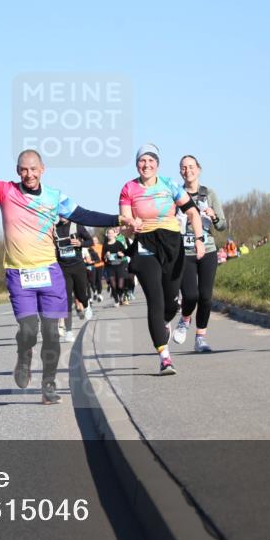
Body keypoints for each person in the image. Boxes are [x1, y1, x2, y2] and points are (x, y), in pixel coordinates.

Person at [0, 130, 139, 404]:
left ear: (42, 169)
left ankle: (48, 385)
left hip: (49, 272)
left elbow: (84, 214)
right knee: (29, 331)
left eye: (33, 169)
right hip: (19, 274)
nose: (29, 174)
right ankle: (24, 355)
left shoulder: (55, 197)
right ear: (17, 171)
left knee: (52, 333)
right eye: (23, 170)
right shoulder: (6, 192)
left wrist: (119, 219)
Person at [119, 144, 205, 375]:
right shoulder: (129, 188)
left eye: (151, 161)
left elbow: (193, 212)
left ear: (157, 163)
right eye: (142, 161)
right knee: (155, 302)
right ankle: (164, 357)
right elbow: (125, 225)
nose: (146, 165)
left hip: (172, 245)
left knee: (170, 301)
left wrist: (198, 239)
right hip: (145, 245)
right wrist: (130, 225)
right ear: (137, 163)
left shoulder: (170, 185)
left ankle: (166, 320)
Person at [172, 155, 226, 353]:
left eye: (191, 166)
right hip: (184, 252)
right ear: (180, 172)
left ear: (199, 169)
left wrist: (214, 215)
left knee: (205, 297)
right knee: (191, 295)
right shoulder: (176, 194)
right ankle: (185, 319)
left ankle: (200, 338)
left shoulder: (209, 193)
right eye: (184, 168)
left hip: (208, 250)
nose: (188, 170)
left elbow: (222, 225)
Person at [54, 216, 93, 342]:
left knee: (81, 294)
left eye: (64, 213)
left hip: (78, 266)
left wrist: (81, 243)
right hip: (63, 268)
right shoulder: (54, 228)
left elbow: (90, 241)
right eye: (60, 213)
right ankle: (69, 331)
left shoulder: (77, 226)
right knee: (66, 300)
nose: (62, 216)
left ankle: (86, 306)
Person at [102, 228, 129, 306]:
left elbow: (125, 253)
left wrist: (122, 254)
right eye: (109, 233)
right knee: (113, 284)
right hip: (110, 266)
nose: (110, 234)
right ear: (107, 235)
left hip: (120, 264)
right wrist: (105, 256)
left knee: (120, 285)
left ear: (114, 234)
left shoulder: (118, 243)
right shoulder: (105, 244)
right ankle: (116, 300)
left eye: (111, 233)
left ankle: (121, 295)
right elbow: (102, 258)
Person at [86, 235, 105, 302]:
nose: (94, 241)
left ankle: (99, 294)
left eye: (95, 240)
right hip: (92, 266)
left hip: (100, 265)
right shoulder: (90, 248)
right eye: (93, 240)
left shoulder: (101, 246)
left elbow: (103, 255)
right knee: (92, 281)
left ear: (98, 240)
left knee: (98, 280)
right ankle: (95, 291)